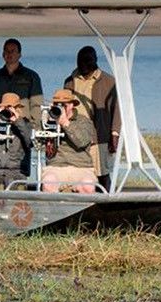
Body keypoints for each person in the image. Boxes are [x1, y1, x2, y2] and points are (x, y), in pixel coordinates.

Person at [63, 46, 121, 191]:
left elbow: (117, 109)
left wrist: (114, 133)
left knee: (102, 174)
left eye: (88, 61)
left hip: (98, 136)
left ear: (95, 61)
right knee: (79, 176)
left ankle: (106, 204)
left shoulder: (108, 81)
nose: (84, 64)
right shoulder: (70, 81)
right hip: (75, 135)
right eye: (81, 61)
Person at [41, 88, 98, 194]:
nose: (61, 108)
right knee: (48, 183)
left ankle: (83, 211)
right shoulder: (48, 121)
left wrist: (65, 123)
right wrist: (46, 120)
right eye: (57, 104)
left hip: (81, 167)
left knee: (87, 186)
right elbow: (37, 141)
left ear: (72, 105)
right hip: (56, 166)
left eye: (64, 105)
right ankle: (52, 210)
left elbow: (82, 141)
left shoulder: (84, 121)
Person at [0, 38, 44, 133]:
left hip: (23, 126)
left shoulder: (31, 76)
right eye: (6, 51)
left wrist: (34, 128)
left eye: (13, 51)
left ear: (19, 54)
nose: (9, 54)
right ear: (3, 54)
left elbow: (36, 104)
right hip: (0, 125)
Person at [0, 93, 33, 190]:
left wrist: (18, 121)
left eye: (10, 108)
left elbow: (30, 141)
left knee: (12, 183)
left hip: (16, 171)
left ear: (17, 109)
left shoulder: (25, 124)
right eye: (5, 108)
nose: (8, 112)